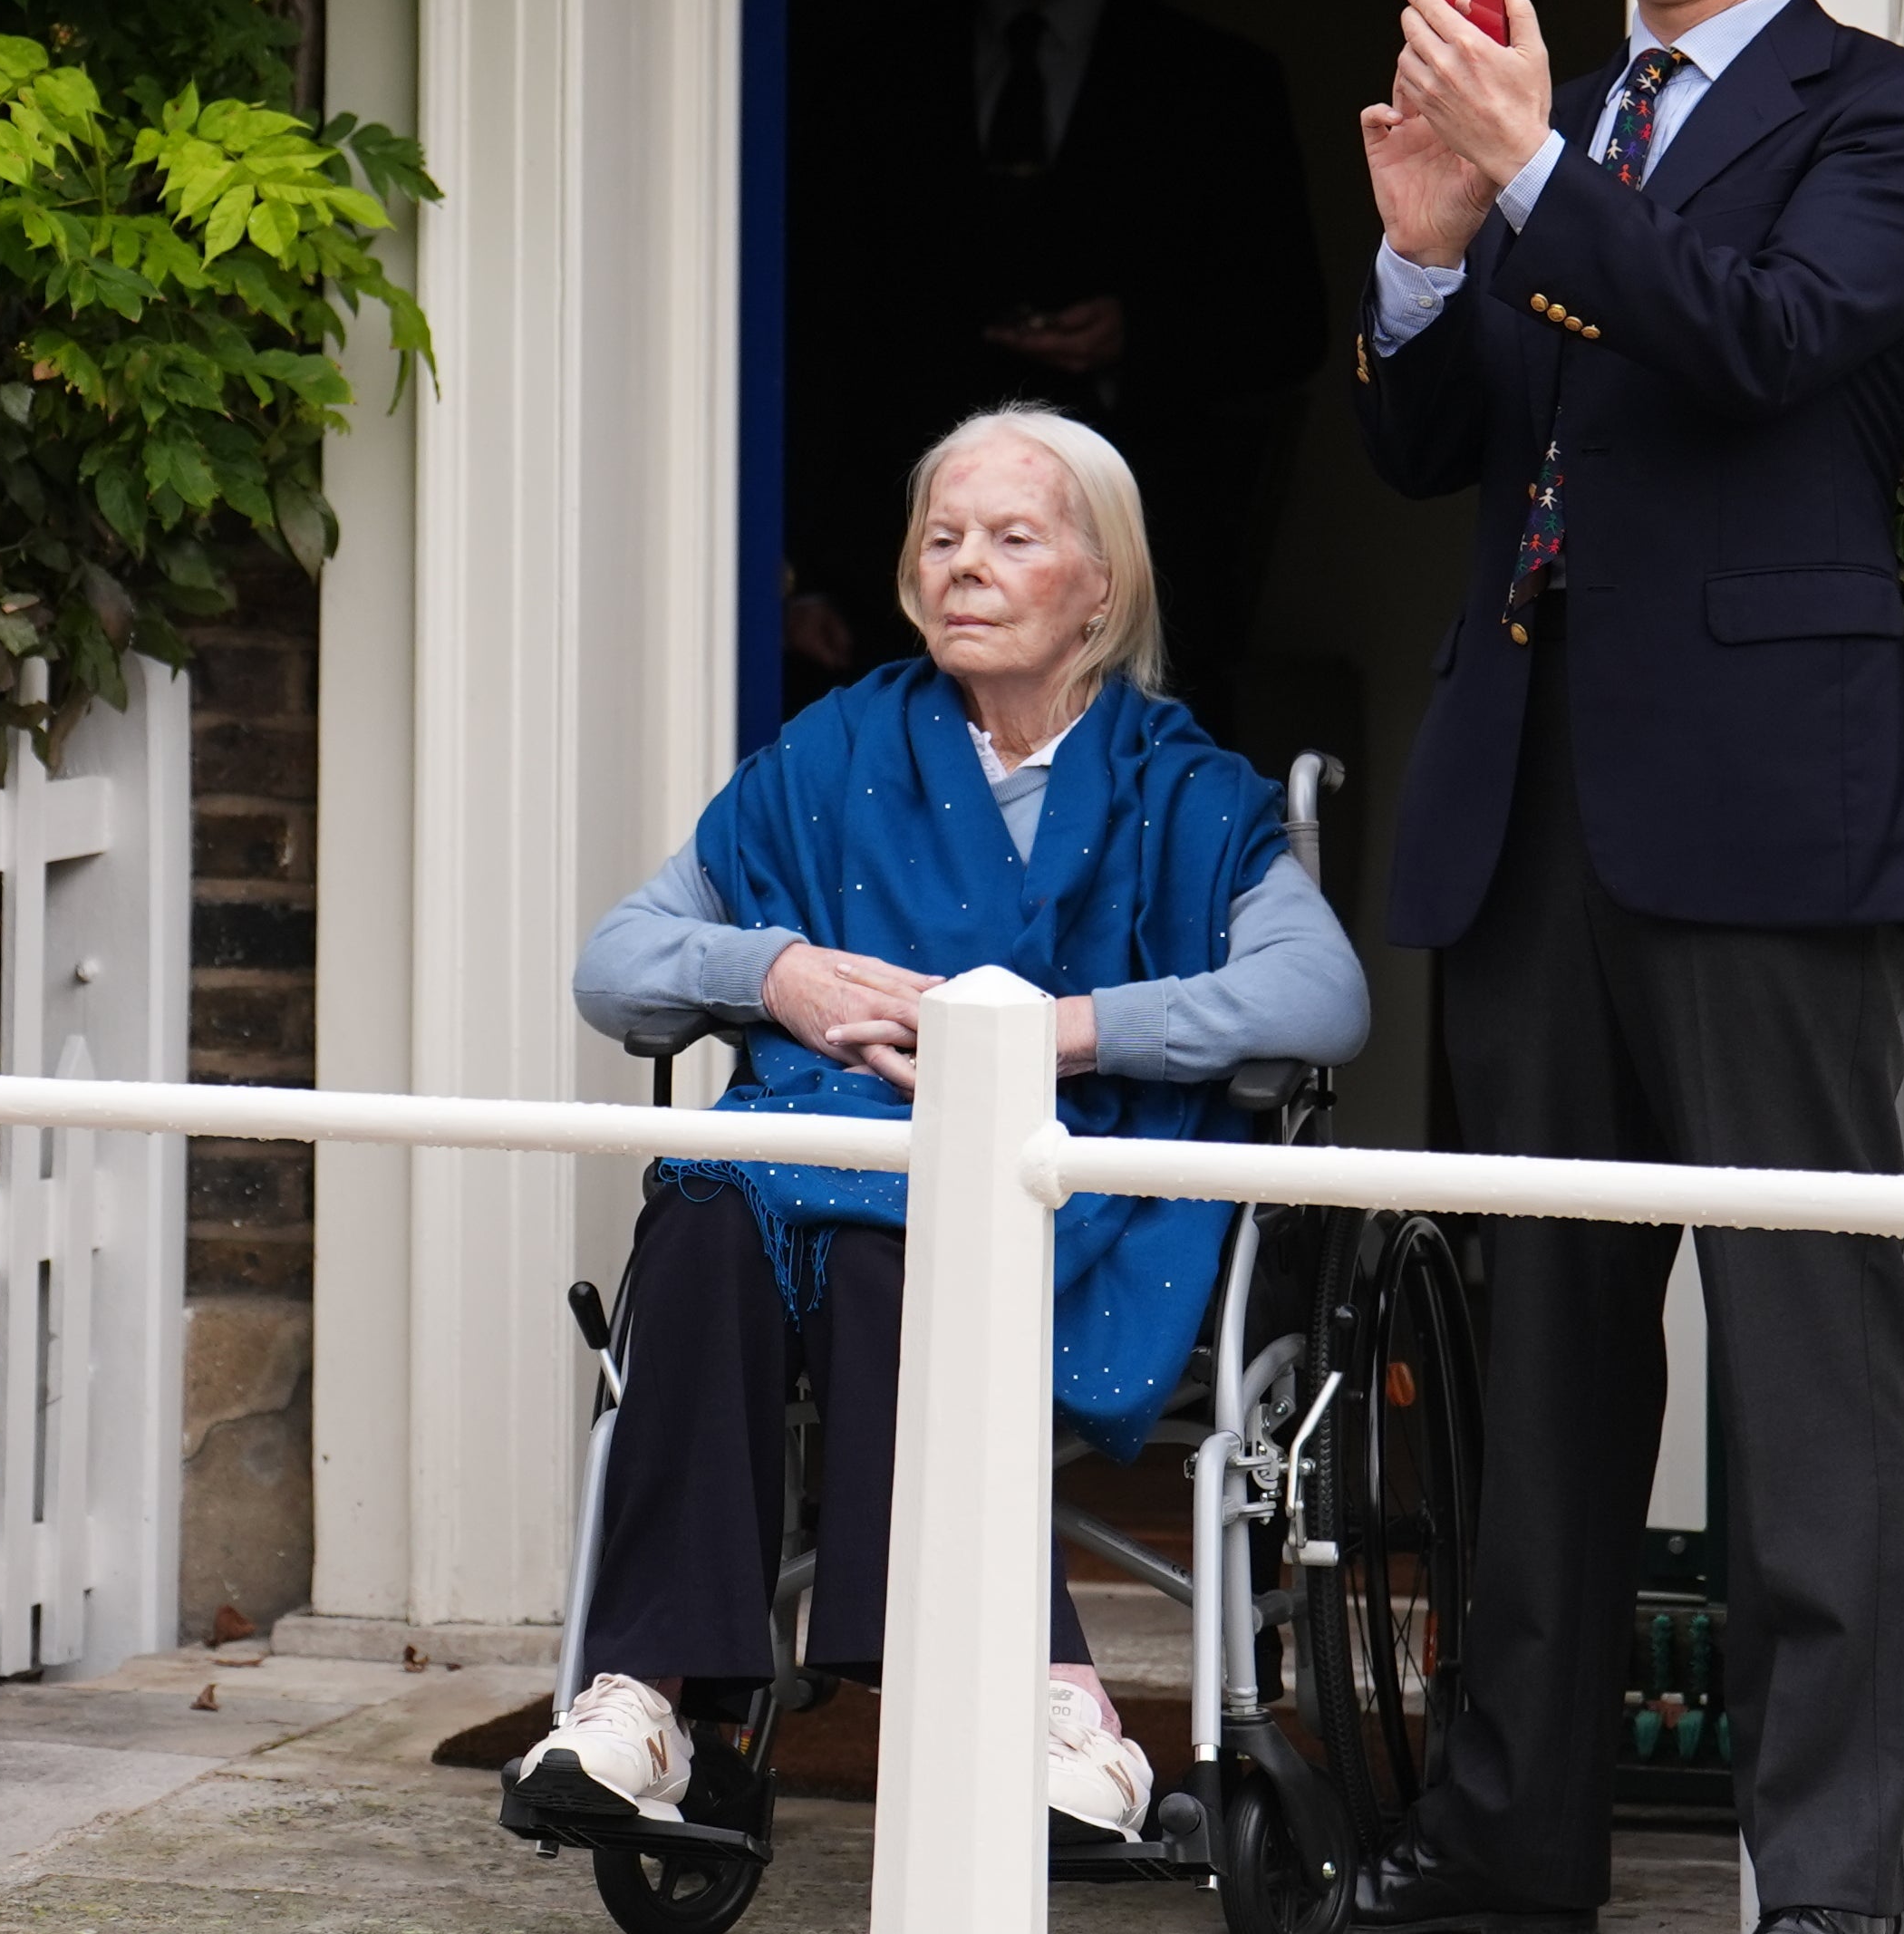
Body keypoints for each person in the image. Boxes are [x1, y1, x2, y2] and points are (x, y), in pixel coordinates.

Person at [1341, 0, 1904, 1934]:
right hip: (1529, 807)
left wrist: (1527, 183)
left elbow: (1761, 343)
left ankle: (1825, 1884)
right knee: (1541, 1353)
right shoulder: (1558, 118)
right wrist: (1424, 256)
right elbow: (1446, 451)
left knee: (1811, 1358)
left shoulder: (1894, 122)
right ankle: (1513, 1838)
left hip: (1761, 812)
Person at [521, 407, 1368, 1855]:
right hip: (813, 1161)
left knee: (877, 1237)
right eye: (941, 538)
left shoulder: (1186, 789)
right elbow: (618, 960)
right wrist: (771, 971)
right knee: (712, 1202)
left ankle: (1039, 1691)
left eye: (1012, 538)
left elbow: (1322, 997)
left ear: (1102, 585)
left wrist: (1067, 1029)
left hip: (1073, 1181)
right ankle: (643, 1702)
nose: (965, 565)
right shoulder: (833, 752)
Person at [788, 0, 1323, 735]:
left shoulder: (1217, 85)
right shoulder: (877, 76)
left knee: (1122, 869)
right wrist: (802, 564)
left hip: (1137, 575)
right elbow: (816, 323)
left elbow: (1288, 323)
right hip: (893, 584)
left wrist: (1134, 336)